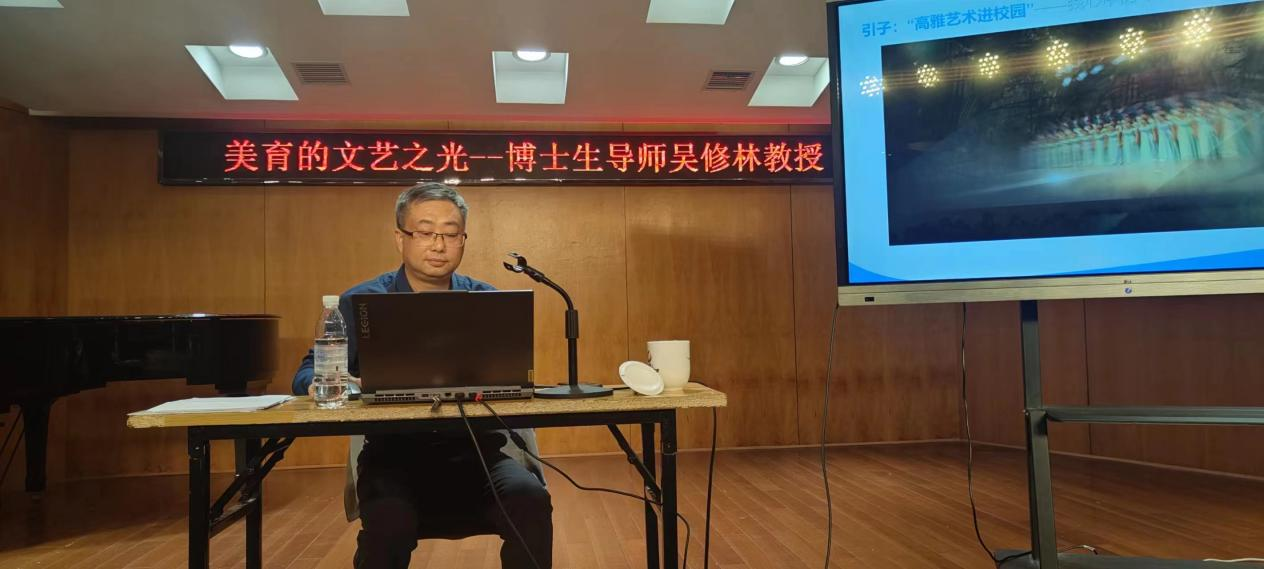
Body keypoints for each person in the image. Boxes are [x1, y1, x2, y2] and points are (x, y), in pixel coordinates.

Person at [291, 183, 553, 569]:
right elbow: (307, 373)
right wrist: (330, 383)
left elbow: (512, 375)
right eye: (425, 232)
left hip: (478, 456)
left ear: (463, 240)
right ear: (401, 238)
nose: (439, 245)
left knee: (531, 500)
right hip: (392, 459)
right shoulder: (363, 301)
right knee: (389, 524)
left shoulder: (487, 300)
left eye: (451, 233)